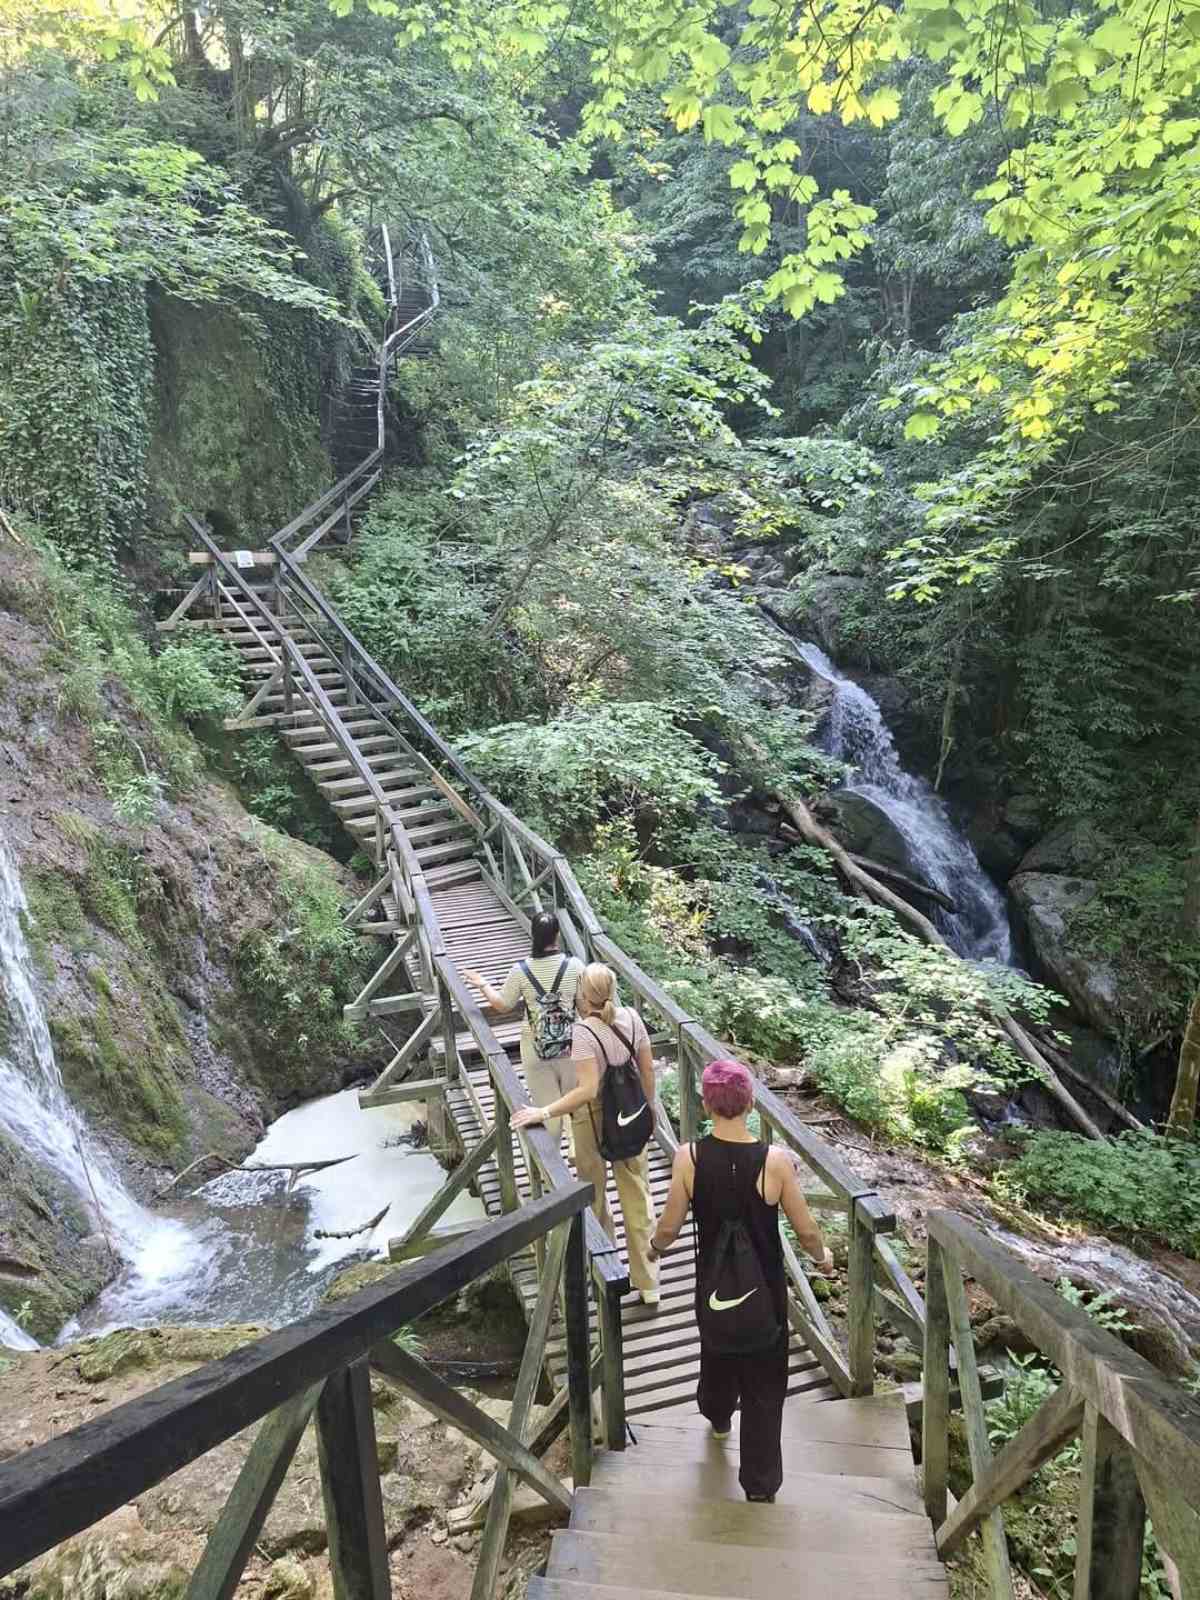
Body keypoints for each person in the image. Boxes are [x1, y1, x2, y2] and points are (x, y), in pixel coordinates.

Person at [648, 1057, 835, 1503]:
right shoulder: (775, 1162)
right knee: (765, 1388)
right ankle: (760, 1486)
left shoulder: (687, 1158)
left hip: (712, 1288)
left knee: (717, 1354)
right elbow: (805, 1229)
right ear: (750, 1102)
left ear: (706, 1105)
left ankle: (716, 1416)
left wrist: (653, 1250)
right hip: (764, 1294)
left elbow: (671, 1226)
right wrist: (823, 1257)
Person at [513, 963, 660, 1306]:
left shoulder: (583, 1032)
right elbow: (648, 1068)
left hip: (593, 1120)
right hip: (631, 1112)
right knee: (637, 1195)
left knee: (593, 1193)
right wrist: (649, 1108)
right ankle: (648, 1282)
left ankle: (605, 1272)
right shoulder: (632, 1019)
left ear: (582, 994)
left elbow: (588, 1090)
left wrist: (545, 1111)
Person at [464, 911, 583, 1142]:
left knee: (547, 1114)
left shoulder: (521, 970)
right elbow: (586, 1003)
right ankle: (578, 1153)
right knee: (575, 1106)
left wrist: (483, 984)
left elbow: (503, 1005)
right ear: (557, 935)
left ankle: (551, 1170)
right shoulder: (575, 965)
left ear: (533, 936)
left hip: (535, 1050)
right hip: (573, 1047)